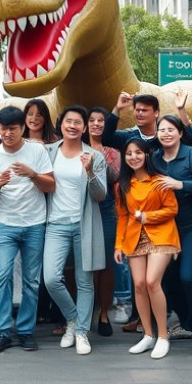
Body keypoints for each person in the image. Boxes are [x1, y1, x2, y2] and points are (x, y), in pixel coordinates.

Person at [0, 107, 55, 354]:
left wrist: (32, 174)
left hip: (34, 223)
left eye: (13, 128)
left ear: (23, 128)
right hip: (5, 224)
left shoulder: (37, 150)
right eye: (3, 129)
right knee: (1, 275)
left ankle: (25, 331)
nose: (8, 133)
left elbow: (50, 186)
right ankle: (2, 331)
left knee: (31, 280)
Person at [43, 106, 108, 355]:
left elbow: (100, 195)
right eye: (68, 121)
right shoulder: (49, 152)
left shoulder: (94, 156)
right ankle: (73, 318)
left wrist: (89, 171)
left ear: (84, 127)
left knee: (85, 282)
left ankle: (81, 331)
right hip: (56, 224)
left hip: (84, 224)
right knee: (51, 278)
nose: (72, 126)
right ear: (61, 124)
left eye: (78, 122)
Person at [153, 115, 192, 356]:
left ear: (180, 133)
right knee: (168, 278)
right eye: (162, 130)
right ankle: (188, 323)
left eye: (171, 129)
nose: (166, 133)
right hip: (168, 228)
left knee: (188, 276)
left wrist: (180, 184)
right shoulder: (155, 158)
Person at [116, 139, 180, 359]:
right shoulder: (122, 184)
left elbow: (172, 209)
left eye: (138, 153)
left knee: (152, 282)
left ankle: (163, 336)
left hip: (162, 235)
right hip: (134, 238)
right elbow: (122, 216)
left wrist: (147, 217)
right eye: (129, 153)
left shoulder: (159, 180)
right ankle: (147, 335)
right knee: (139, 285)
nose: (133, 157)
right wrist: (118, 245)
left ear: (146, 155)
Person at [85, 107, 125, 335]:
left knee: (107, 264)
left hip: (107, 210)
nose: (97, 124)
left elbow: (114, 177)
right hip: (82, 209)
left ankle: (103, 313)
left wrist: (96, 161)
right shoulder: (76, 148)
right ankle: (84, 311)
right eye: (92, 120)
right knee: (84, 264)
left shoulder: (113, 151)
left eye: (101, 120)